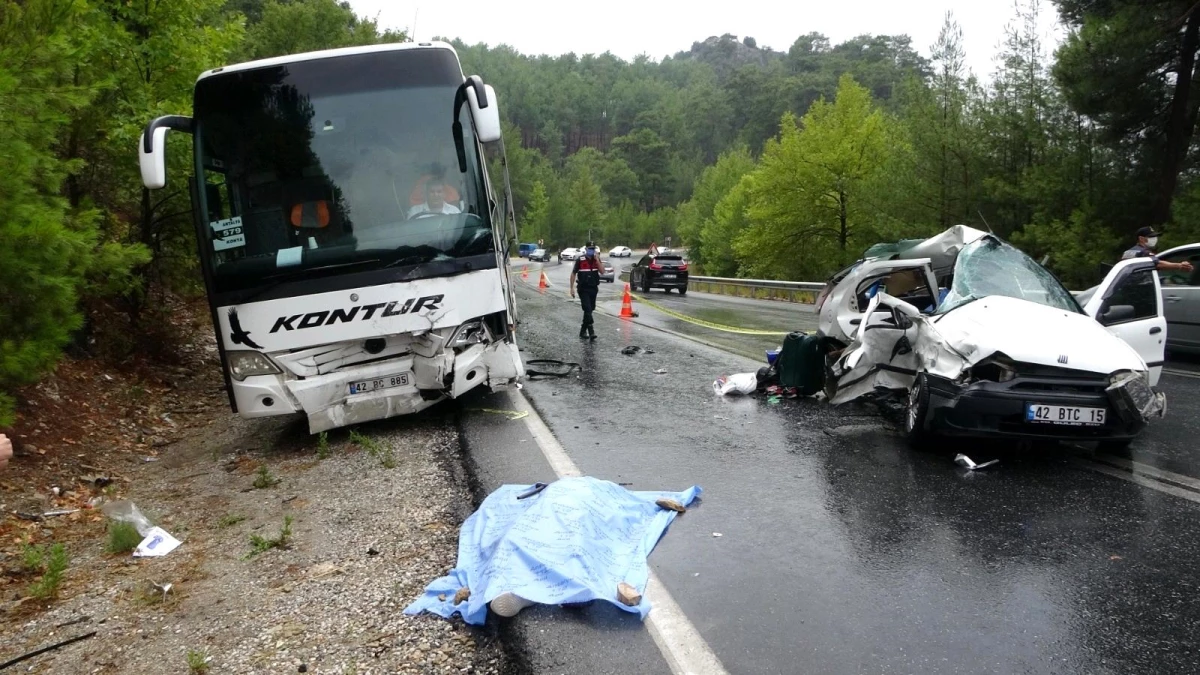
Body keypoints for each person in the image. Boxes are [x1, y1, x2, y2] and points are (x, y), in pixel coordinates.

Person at [569, 242, 603, 340]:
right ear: (586, 249)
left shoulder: (596, 260)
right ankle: (591, 330)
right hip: (583, 288)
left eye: (593, 249)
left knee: (590, 309)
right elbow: (573, 273)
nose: (591, 250)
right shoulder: (580, 260)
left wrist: (597, 260)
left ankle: (583, 330)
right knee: (587, 309)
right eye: (590, 249)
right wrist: (571, 288)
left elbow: (602, 271)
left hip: (593, 288)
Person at [1122, 226, 1193, 273]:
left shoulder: (1128, 252)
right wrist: (1180, 265)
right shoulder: (1144, 253)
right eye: (1151, 237)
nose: (1154, 239)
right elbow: (1158, 264)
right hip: (1141, 286)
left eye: (1155, 237)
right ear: (1141, 238)